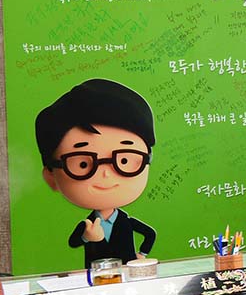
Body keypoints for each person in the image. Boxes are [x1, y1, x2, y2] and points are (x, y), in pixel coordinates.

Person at [35, 79, 157, 268]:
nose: (106, 174)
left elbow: (150, 234)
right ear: (51, 177)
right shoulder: (88, 224)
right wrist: (87, 236)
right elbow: (73, 242)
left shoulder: (126, 221)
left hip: (128, 276)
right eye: (83, 164)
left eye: (124, 160)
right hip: (94, 279)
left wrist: (142, 254)